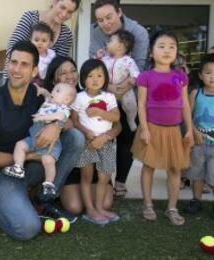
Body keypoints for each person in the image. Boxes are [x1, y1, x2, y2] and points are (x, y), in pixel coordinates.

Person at [0, 41, 85, 240]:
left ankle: (44, 198)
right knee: (28, 229)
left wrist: (56, 126)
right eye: (13, 62)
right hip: (2, 175)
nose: (17, 69)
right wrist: (27, 156)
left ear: (34, 71)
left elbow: (67, 122)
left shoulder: (40, 97)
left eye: (24, 64)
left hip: (33, 167)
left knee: (75, 138)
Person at [43, 56, 121, 217]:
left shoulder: (88, 94)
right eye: (63, 73)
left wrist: (104, 137)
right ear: (53, 78)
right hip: (71, 165)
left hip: (99, 147)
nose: (70, 76)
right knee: (75, 207)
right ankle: (54, 191)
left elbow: (118, 124)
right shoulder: (49, 102)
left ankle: (96, 207)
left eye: (73, 71)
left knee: (106, 202)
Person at [131, 30, 194, 226]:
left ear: (176, 52)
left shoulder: (181, 76)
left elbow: (184, 104)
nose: (167, 50)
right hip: (152, 128)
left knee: (174, 169)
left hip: (174, 129)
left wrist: (189, 129)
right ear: (151, 52)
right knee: (148, 166)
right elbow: (141, 104)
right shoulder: (145, 76)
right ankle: (148, 204)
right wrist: (144, 129)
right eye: (161, 46)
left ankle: (172, 208)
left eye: (171, 47)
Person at [89, 0, 149, 196]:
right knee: (101, 130)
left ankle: (121, 181)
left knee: (126, 135)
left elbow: (138, 68)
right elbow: (94, 65)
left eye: (109, 17)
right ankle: (101, 179)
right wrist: (108, 89)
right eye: (100, 20)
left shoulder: (138, 32)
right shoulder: (97, 32)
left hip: (130, 90)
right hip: (105, 88)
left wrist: (121, 89)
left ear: (119, 12)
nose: (105, 23)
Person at [4, 83, 77, 201]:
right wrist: (42, 91)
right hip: (33, 137)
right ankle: (18, 167)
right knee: (20, 145)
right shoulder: (49, 102)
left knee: (48, 161)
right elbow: (48, 95)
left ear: (66, 99)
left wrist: (42, 118)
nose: (53, 92)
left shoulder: (64, 109)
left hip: (50, 144)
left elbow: (59, 117)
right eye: (53, 90)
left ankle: (49, 183)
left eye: (57, 91)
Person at [71, 59, 120, 224]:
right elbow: (75, 120)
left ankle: (99, 207)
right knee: (86, 176)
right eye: (90, 76)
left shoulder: (109, 97)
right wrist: (86, 132)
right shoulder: (79, 97)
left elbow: (116, 117)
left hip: (106, 142)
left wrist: (100, 111)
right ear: (83, 78)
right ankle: (90, 210)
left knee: (104, 176)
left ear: (105, 77)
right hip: (87, 142)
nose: (95, 79)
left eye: (99, 75)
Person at [5, 0, 81, 74]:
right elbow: (12, 48)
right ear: (54, 1)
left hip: (44, 84)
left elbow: (58, 65)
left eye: (70, 12)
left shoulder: (66, 34)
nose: (64, 14)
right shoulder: (31, 17)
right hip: (16, 75)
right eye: (62, 7)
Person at [183, 54, 214, 217]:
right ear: (201, 75)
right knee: (197, 174)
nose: (212, 76)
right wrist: (194, 131)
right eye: (208, 72)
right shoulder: (196, 93)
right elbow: (187, 115)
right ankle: (196, 200)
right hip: (198, 143)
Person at [98, 30, 140, 131]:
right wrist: (98, 57)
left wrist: (134, 80)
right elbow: (96, 67)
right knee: (105, 105)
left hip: (126, 90)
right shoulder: (106, 59)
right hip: (107, 89)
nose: (107, 43)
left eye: (111, 41)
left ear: (120, 46)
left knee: (131, 104)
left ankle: (131, 119)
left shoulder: (128, 61)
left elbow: (135, 72)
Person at [30, 22, 56, 87]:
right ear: (31, 40)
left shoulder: (52, 54)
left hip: (48, 82)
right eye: (36, 40)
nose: (40, 43)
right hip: (33, 82)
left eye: (44, 41)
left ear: (50, 43)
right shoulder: (30, 54)